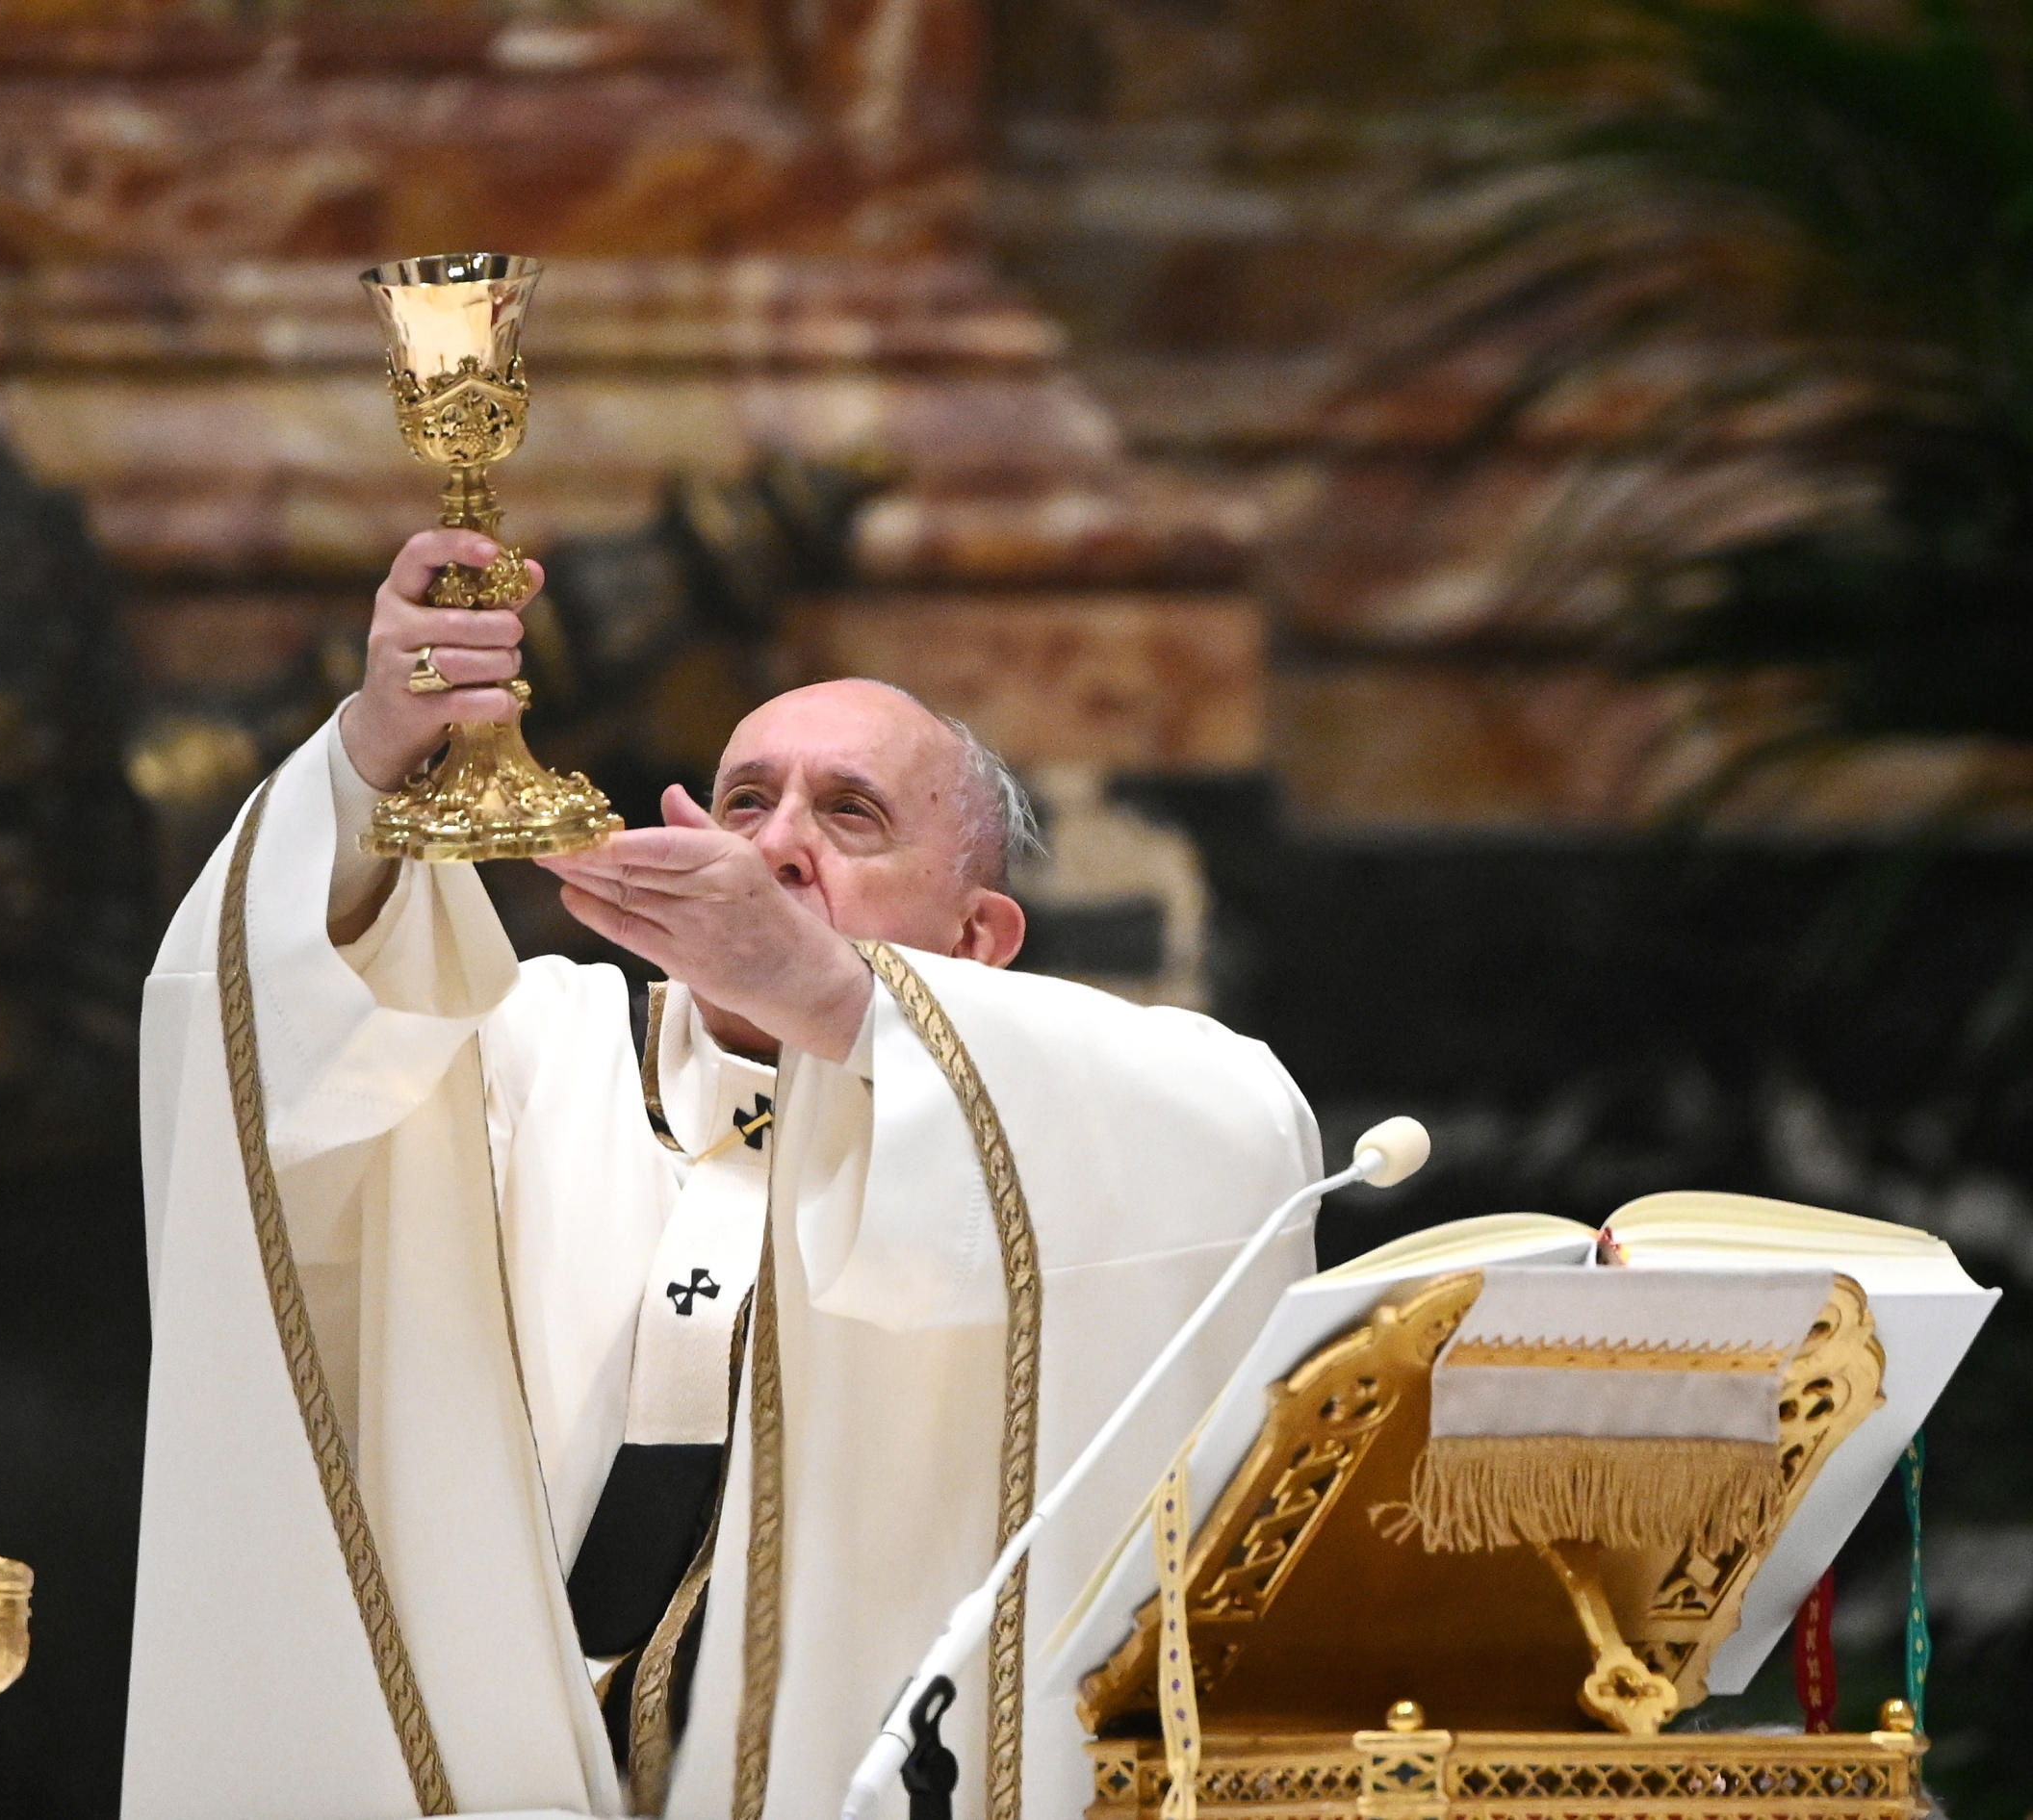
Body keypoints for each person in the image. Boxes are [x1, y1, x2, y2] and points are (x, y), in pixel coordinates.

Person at [125, 529, 1323, 1820]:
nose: (778, 844)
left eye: (849, 814)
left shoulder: (1060, 1105)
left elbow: (1249, 1143)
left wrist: (829, 996)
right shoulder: (530, 1055)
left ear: (979, 935)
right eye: (746, 803)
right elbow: (266, 1042)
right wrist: (372, 752)